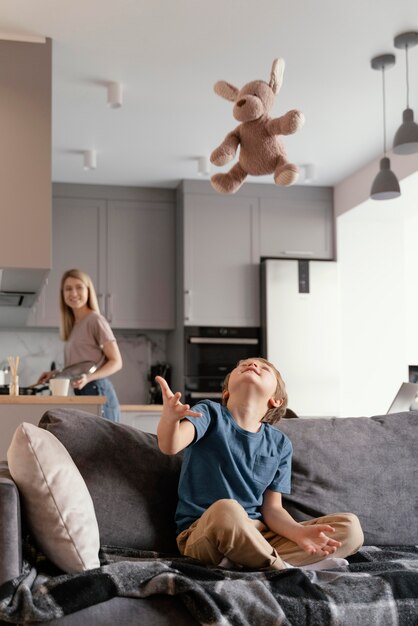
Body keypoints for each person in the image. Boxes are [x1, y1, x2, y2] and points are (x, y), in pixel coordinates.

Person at [156, 357, 364, 571]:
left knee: (350, 528)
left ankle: (250, 561)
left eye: (264, 368)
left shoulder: (280, 444)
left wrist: (297, 532)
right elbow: (170, 446)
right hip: (205, 532)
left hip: (260, 535)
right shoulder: (209, 413)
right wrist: (170, 420)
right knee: (227, 509)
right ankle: (283, 568)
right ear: (226, 391)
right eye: (242, 365)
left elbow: (272, 509)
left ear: (276, 400)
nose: (252, 365)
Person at [38, 269, 123, 422]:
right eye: (68, 288)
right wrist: (56, 374)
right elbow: (80, 367)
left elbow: (116, 362)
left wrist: (88, 378)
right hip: (84, 390)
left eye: (79, 287)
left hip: (98, 391)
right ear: (62, 294)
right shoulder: (75, 325)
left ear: (88, 290)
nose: (73, 293)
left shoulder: (95, 320)